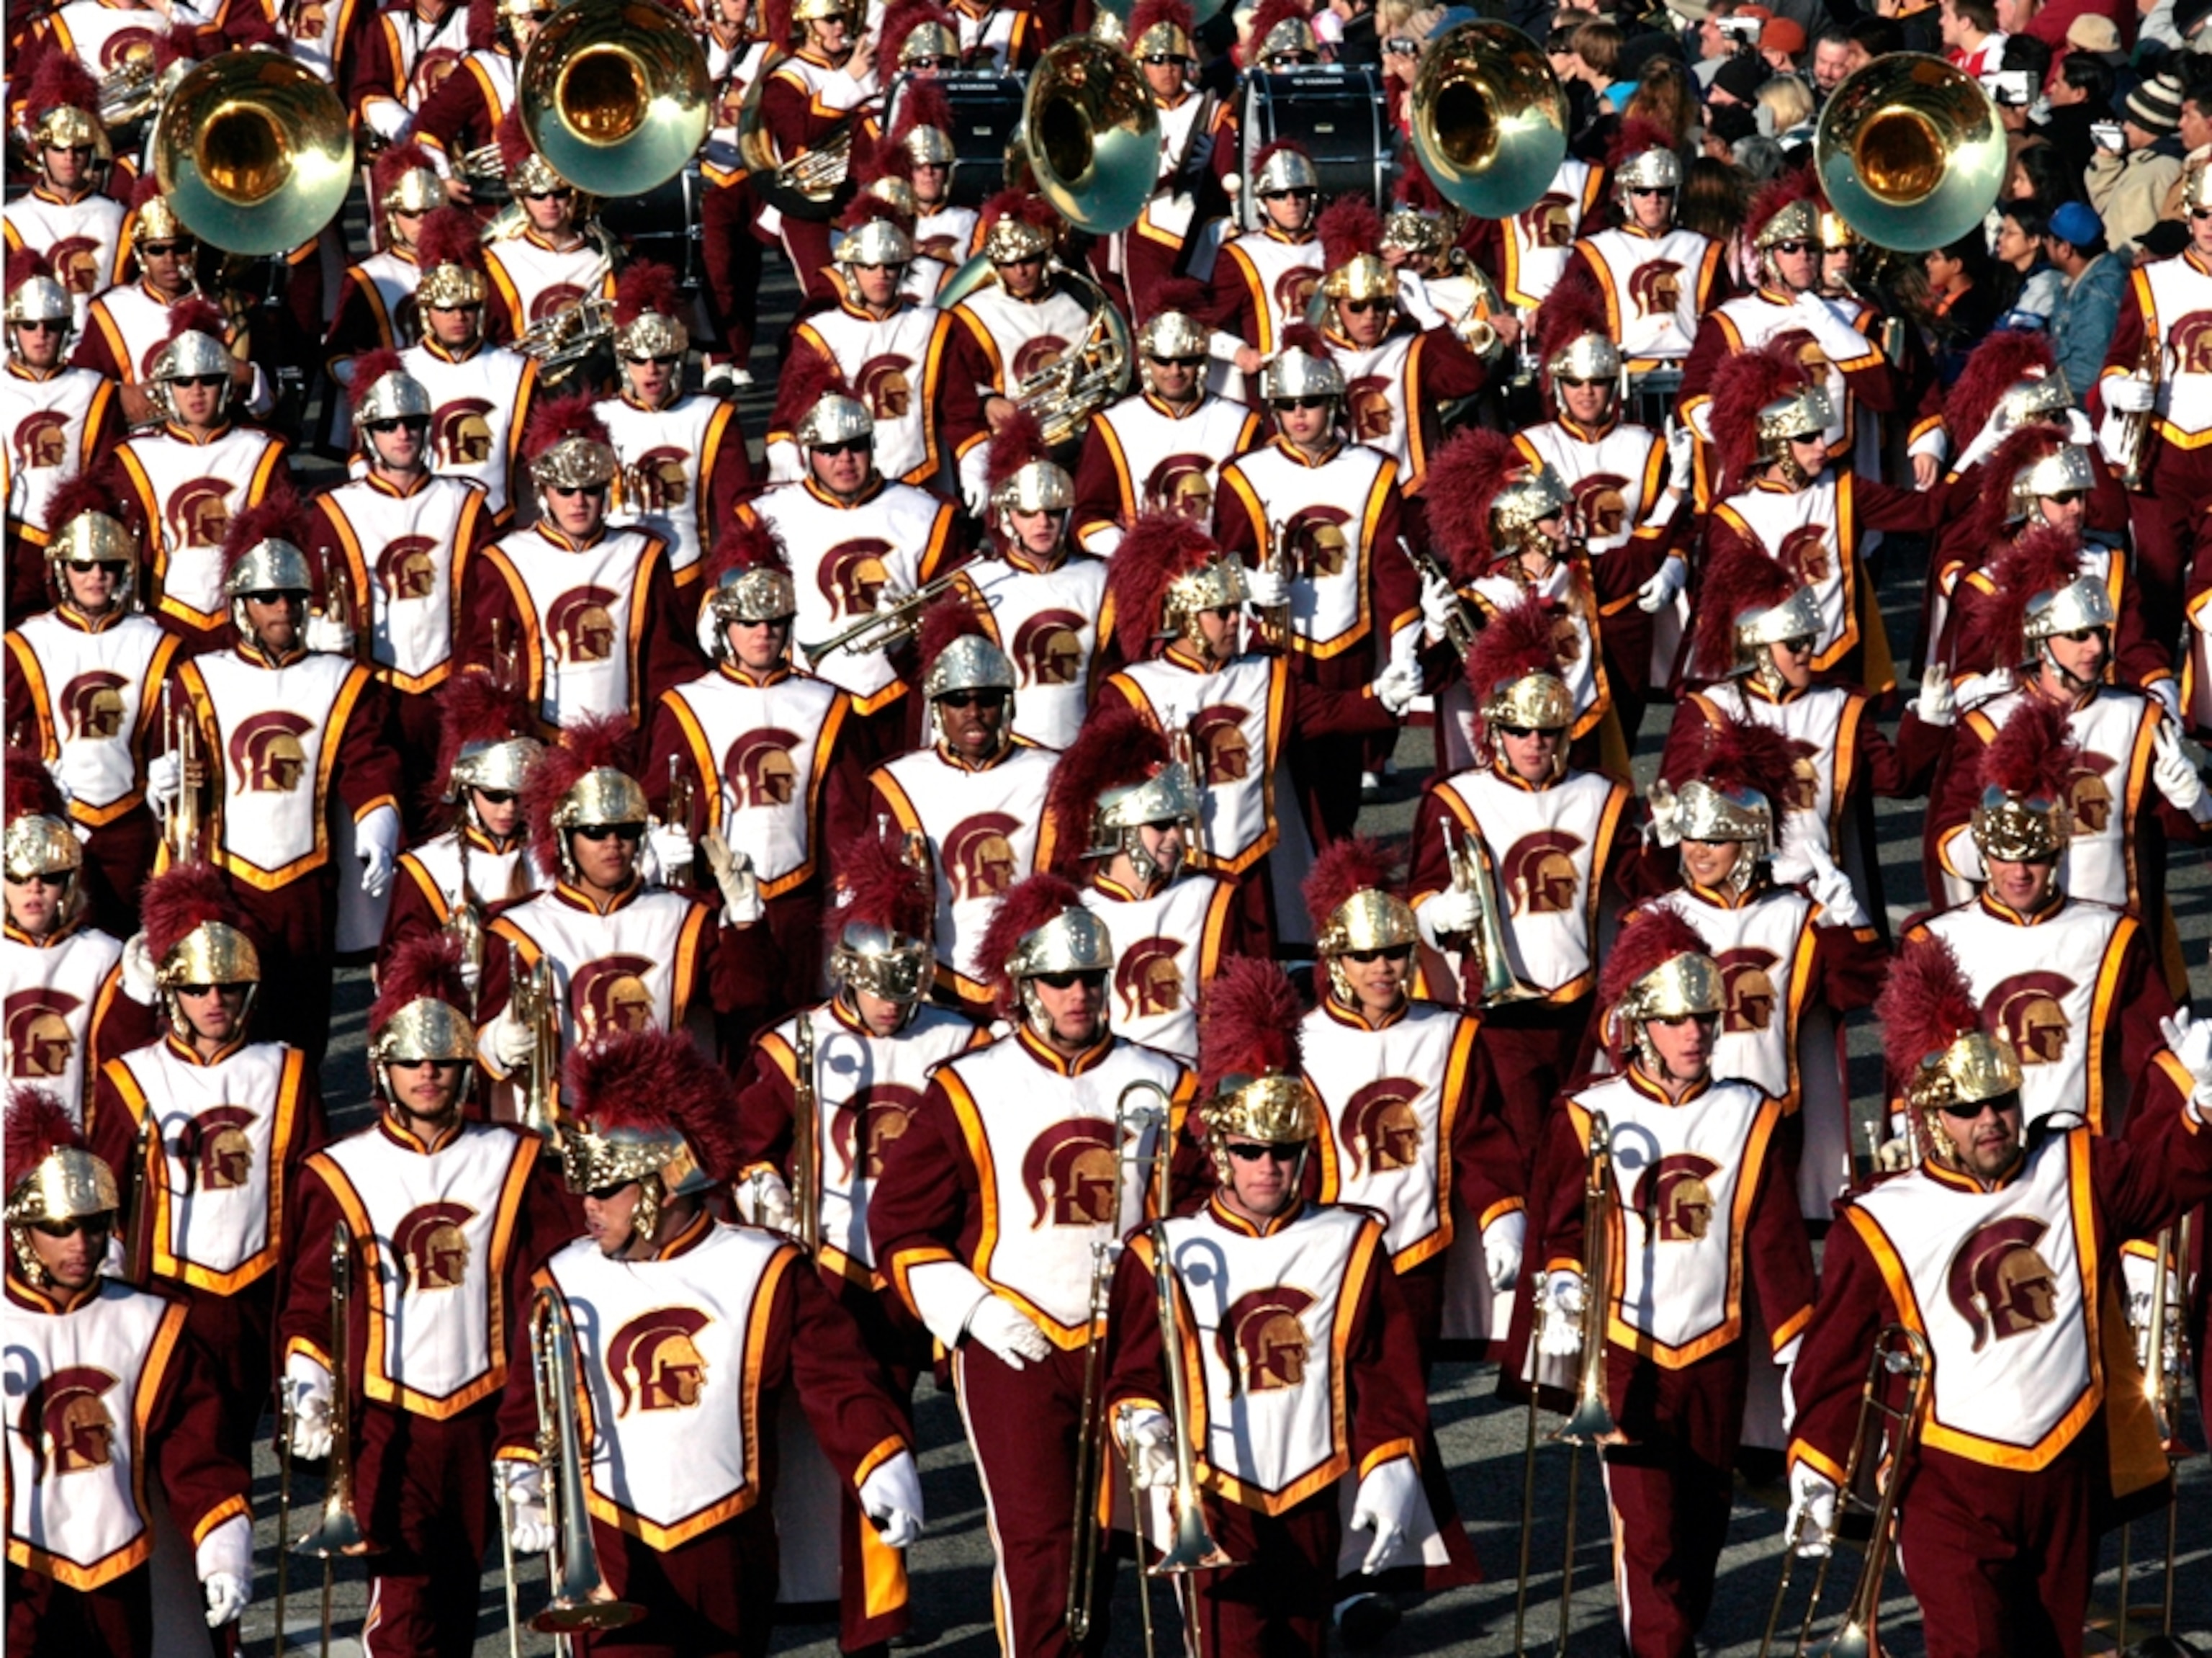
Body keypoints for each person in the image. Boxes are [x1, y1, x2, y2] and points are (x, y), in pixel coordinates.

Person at [1785, 931, 2212, 1655]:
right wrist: (1815, 1462)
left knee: (2052, 1644)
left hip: (2064, 1465)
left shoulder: (2075, 1165)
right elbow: (1836, 1355)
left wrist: (2203, 1115)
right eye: (1969, 1109)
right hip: (1948, 1480)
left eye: (2002, 1101)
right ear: (1930, 1117)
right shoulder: (1881, 1216)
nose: (1991, 1120)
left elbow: (2168, 1179)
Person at [495, 1027, 926, 1658]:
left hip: (730, 1542)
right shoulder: (562, 1277)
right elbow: (526, 1404)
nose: (586, 1203)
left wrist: (880, 1458)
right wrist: (520, 1470)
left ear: (666, 1182)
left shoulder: (764, 1267)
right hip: (611, 1544)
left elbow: (838, 1378)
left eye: (607, 1186)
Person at [869, 872, 1197, 1657]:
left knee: (1117, 1542)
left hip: (1133, 1344)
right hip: (1015, 1344)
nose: (1078, 994)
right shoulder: (967, 1084)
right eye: (1060, 980)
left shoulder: (1168, 1080)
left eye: (1091, 977)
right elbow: (900, 1221)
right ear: (1026, 985)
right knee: (1038, 1544)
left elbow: (1196, 1211)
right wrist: (973, 1310)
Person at [1102, 958, 1444, 1658]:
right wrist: (1139, 1418)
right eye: (1250, 1149)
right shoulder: (1159, 1249)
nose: (1268, 1165)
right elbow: (1133, 1373)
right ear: (1220, 1151)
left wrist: (1390, 1464)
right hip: (1212, 1497)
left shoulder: (1352, 1238)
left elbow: (1383, 1371)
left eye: (1284, 1150)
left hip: (1312, 1488)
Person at [1529, 908, 1814, 1658]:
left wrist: (1800, 1356)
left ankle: (1673, 1632)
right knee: (1648, 1530)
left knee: (1701, 1522)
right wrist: (1561, 1283)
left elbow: (1777, 1242)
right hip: (1627, 1350)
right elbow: (1561, 1229)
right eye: (1678, 1020)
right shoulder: (1590, 1113)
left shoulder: (1751, 1114)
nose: (1695, 1034)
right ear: (1640, 1026)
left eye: (1706, 1019)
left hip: (1715, 1348)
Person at [276, 934, 567, 1658]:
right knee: (403, 1607)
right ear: (384, 1068)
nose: (428, 1074)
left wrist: (530, 1437)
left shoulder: (517, 1158)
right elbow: (314, 1299)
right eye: (412, 1061)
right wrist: (309, 1380)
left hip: (483, 1410)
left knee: (458, 1604)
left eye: (442, 1061)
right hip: (386, 1417)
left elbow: (548, 1294)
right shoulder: (339, 1170)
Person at [729, 833, 984, 1654]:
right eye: (875, 986)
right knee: (843, 1435)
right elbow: (737, 1141)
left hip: (926, 1267)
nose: (889, 1003)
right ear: (847, 971)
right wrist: (753, 1182)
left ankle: (874, 1614)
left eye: (904, 985)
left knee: (901, 1433)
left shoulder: (963, 1040)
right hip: (827, 1266)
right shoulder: (792, 1043)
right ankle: (852, 1614)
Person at [90, 861, 328, 1464]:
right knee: (186, 1458)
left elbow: (315, 1204)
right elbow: (106, 1189)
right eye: (196, 989)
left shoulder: (288, 1071)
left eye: (227, 988)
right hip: (169, 1295)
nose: (213, 1001)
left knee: (237, 1449)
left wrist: (311, 1341)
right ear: (173, 993)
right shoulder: (135, 1074)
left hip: (259, 1298)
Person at [149, 495, 403, 1057]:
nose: (282, 608)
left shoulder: (341, 679)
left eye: (292, 596)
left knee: (302, 1036)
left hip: (306, 886)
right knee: (228, 1034)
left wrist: (378, 821)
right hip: (226, 880)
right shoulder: (198, 678)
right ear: (242, 606)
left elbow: (368, 762)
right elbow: (181, 776)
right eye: (268, 597)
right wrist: (161, 784)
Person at [4, 1085, 254, 1655]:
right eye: (61, 1228)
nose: (81, 1244)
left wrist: (220, 1542)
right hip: (18, 1577)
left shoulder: (149, 1323)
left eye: (93, 1225)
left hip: (119, 1571)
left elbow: (197, 1449)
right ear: (23, 1232)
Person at [1098, 515, 1419, 952]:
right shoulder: (1130, 691)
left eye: (1238, 610)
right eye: (1222, 612)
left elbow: (1335, 712)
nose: (1236, 621)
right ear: (1184, 615)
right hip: (1172, 874)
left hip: (1256, 870)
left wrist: (1387, 695)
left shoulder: (1267, 675)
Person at [1408, 596, 1635, 1156]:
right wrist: (1437, 914)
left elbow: (1642, 894)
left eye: (1549, 731)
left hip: (1585, 1005)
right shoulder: (1454, 798)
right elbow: (1418, 894)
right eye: (1521, 730)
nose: (1536, 743)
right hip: (1496, 1016)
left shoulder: (1604, 795)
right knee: (1521, 1152)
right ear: (1496, 730)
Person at [469, 715, 771, 1115]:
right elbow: (471, 1051)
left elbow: (747, 1002)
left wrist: (745, 923)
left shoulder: (685, 914)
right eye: (595, 832)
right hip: (565, 1130)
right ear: (564, 839)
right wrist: (494, 1045)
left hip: (663, 1123)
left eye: (626, 830)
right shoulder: (518, 928)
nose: (613, 844)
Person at [1908, 695, 2177, 1134]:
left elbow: (2148, 1059)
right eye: (2003, 856)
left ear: (2056, 854)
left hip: (2081, 1154)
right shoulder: (1934, 941)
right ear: (1984, 855)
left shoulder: (2111, 934)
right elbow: (1916, 1071)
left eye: (2033, 857)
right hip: (1982, 1152)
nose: (2018, 872)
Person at [643, 520, 870, 1040]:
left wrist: (850, 896)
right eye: (749, 621)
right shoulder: (686, 703)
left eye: (774, 621)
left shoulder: (828, 703)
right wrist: (662, 844)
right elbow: (660, 797)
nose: (763, 632)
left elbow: (845, 812)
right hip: (718, 899)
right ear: (725, 628)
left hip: (801, 904)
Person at [1213, 325, 1419, 826]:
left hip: (1348, 648)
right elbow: (1220, 566)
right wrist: (1248, 590)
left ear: (1333, 403)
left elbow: (1393, 574)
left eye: (1311, 401)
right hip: (1273, 649)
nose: (1299, 415)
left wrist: (1405, 645)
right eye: (1286, 404)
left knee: (1338, 799)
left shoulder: (1376, 470)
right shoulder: (1243, 475)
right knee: (1278, 797)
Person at [737, 359, 963, 758]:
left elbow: (956, 614)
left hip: (900, 694)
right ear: (808, 454)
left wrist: (920, 626)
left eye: (855, 445)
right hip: (806, 692)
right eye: (829, 450)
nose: (844, 459)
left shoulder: (928, 513)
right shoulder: (766, 515)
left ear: (872, 445)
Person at [308, 349, 495, 820]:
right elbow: (307, 595)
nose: (403, 433)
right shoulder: (335, 509)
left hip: (448, 690)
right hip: (372, 695)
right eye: (389, 425)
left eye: (412, 422)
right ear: (368, 435)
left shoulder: (466, 503)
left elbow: (487, 601)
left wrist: (475, 677)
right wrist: (315, 632)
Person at [857, 596, 1061, 1014]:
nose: (973, 712)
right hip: (939, 985)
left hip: (1032, 985)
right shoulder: (900, 781)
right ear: (937, 707)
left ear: (1005, 704)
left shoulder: (1052, 773)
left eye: (986, 699)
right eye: (958, 700)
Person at [457, 395, 704, 736]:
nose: (578, 501)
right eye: (565, 489)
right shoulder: (505, 559)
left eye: (590, 489)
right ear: (544, 492)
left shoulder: (642, 553)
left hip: (626, 739)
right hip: (540, 742)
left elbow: (668, 659)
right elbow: (485, 655)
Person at [1704, 340, 1940, 692]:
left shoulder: (1843, 487)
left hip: (1840, 660)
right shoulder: (1734, 514)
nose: (1822, 446)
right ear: (1777, 444)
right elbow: (1727, 616)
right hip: (1772, 673)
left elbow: (1926, 512)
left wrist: (1985, 458)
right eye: (1808, 437)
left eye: (1821, 435)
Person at [4, 478, 176, 935]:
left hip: (133, 822)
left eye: (108, 565)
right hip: (52, 826)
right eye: (83, 565)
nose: (96, 575)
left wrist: (170, 769)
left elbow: (173, 733)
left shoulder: (156, 642)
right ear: (63, 570)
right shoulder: (25, 643)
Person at [1043, 702, 1238, 1062]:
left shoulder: (1211, 897)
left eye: (1180, 823)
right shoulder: (1071, 912)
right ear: (1117, 827)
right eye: (1161, 825)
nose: (1176, 837)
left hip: (1189, 1092)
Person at [1423, 426, 1620, 776]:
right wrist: (1435, 631)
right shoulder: (1480, 601)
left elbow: (1636, 564)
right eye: (1553, 515)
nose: (1566, 522)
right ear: (1521, 527)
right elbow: (1429, 679)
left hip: (1580, 739)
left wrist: (1674, 495)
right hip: (1514, 755)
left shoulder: (1580, 572)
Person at [112, 301, 292, 658]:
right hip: (164, 619)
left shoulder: (262, 452)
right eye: (183, 382)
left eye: (208, 380)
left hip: (241, 622)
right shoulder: (134, 456)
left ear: (226, 386)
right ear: (167, 388)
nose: (196, 391)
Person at [2098, 161, 2212, 652]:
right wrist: (2120, 391)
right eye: (2206, 214)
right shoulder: (2153, 279)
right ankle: (2155, 697)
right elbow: (2117, 360)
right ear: (2190, 216)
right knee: (2157, 589)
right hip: (2163, 454)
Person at [1, 750, 150, 1122]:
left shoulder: (104, 955)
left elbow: (124, 1062)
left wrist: (140, 1000)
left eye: (50, 876)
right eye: (19, 876)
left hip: (82, 1146)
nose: (34, 889)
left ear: (70, 882)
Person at [768, 204, 956, 490]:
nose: (881, 275)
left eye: (890, 265)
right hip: (841, 480)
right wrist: (786, 458)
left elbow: (959, 404)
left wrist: (974, 456)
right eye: (869, 266)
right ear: (851, 269)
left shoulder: (934, 323)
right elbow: (787, 416)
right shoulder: (818, 332)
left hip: (919, 474)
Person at [1069, 278, 1259, 561]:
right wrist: (1129, 549)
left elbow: (1253, 518)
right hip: (1140, 574)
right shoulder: (1113, 424)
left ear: (1202, 362)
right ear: (1146, 361)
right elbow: (1088, 516)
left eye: (1186, 361)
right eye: (1163, 361)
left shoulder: (1243, 423)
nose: (1174, 371)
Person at [594, 261, 752, 592]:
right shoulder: (596, 418)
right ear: (624, 363)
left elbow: (733, 509)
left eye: (662, 359)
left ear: (678, 361)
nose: (651, 371)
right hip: (616, 577)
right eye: (639, 360)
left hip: (691, 578)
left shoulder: (712, 416)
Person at [378, 674, 547, 971]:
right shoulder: (427, 867)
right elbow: (402, 969)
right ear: (465, 790)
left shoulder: (553, 858)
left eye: (519, 796)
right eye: (495, 796)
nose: (509, 808)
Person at [398, 206, 539, 524]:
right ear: (426, 312)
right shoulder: (398, 372)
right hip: (422, 522)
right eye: (446, 309)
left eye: (468, 308)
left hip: (499, 523)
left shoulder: (519, 371)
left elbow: (532, 465)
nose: (458, 318)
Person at [2, 251, 120, 599]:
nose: (41, 335)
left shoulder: (94, 388)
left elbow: (107, 470)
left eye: (51, 326)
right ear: (13, 329)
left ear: (66, 329)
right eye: (30, 326)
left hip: (79, 547)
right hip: (14, 544)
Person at [1, 54, 124, 333]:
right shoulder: (8, 221)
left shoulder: (120, 219)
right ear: (41, 151)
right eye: (58, 148)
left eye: (79, 148)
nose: (69, 157)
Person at [2085, 73, 2186, 260]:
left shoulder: (2154, 173)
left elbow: (2134, 241)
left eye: (2130, 120)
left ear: (2146, 124)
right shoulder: (2148, 163)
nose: (2125, 127)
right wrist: (2107, 160)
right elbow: (2111, 210)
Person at [2043, 201, 2126, 408]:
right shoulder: (2075, 281)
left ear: (2065, 249)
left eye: (2049, 240)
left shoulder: (2100, 293)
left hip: (2083, 410)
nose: (2045, 244)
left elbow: (2085, 372)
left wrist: (2041, 401)